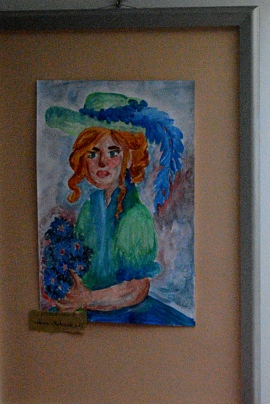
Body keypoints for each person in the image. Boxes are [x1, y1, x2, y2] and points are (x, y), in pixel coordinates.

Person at [44, 92, 194, 326]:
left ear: (130, 158)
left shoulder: (135, 216)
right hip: (90, 311)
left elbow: (137, 288)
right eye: (93, 153)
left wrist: (88, 298)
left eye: (113, 152)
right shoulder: (89, 209)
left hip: (127, 316)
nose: (103, 162)